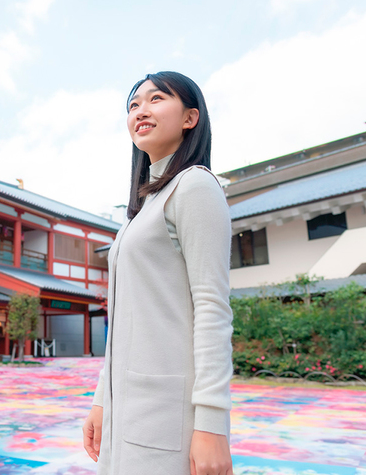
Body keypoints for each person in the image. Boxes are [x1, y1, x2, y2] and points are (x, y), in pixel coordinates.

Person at [82, 72, 234, 474]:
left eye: (156, 99)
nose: (140, 110)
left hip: (167, 410)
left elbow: (212, 307)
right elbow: (125, 321)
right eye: (133, 105)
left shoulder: (195, 186)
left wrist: (212, 424)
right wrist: (101, 400)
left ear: (190, 118)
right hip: (124, 406)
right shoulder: (139, 212)